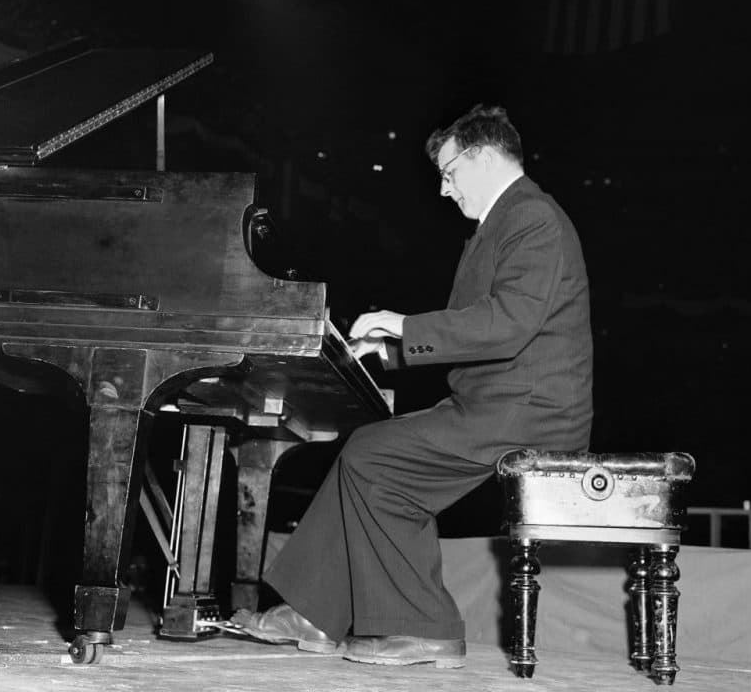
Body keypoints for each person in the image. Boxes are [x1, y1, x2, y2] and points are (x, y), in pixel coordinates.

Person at [228, 104, 593, 668]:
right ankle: (314, 612)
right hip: (501, 401)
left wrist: (404, 324)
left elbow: (510, 321)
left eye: (449, 174)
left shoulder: (531, 218)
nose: (444, 191)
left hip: (529, 410)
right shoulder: (502, 224)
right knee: (368, 452)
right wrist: (390, 352)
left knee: (376, 458)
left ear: (484, 156)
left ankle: (425, 628)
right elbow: (481, 330)